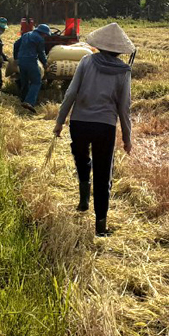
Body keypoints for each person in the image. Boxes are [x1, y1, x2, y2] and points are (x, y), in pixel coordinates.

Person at [53, 23, 134, 237]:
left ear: (99, 45)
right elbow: (124, 107)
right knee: (103, 172)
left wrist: (60, 120)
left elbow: (71, 93)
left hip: (79, 123)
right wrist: (127, 137)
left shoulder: (86, 61)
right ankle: (100, 225)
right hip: (105, 127)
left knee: (81, 159)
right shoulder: (123, 71)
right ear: (119, 50)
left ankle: (83, 199)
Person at [14, 24, 51, 112]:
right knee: (36, 81)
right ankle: (29, 102)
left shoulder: (26, 35)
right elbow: (41, 53)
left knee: (25, 81)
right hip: (31, 61)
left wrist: (16, 57)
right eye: (45, 34)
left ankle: (23, 100)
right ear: (42, 33)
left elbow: (16, 44)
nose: (45, 36)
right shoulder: (39, 39)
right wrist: (45, 64)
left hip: (21, 61)